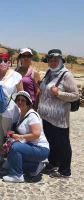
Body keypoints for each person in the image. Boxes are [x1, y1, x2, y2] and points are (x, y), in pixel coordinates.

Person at [37, 49, 79, 178]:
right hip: (46, 116)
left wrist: (59, 93)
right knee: (51, 141)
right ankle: (53, 163)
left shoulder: (66, 75)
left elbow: (75, 95)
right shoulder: (50, 72)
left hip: (59, 118)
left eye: (56, 60)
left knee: (63, 144)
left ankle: (65, 170)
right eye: (50, 60)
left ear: (61, 61)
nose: (53, 62)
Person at [2, 91, 50, 183]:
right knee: (9, 162)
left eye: (23, 100)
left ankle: (17, 175)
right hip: (30, 146)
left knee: (15, 148)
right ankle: (35, 167)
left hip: (40, 148)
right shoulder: (21, 114)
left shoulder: (32, 115)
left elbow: (36, 135)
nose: (20, 102)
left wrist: (20, 137)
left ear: (28, 102)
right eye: (18, 100)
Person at [0, 52, 23, 166]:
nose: (3, 63)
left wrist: (23, 110)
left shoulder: (16, 76)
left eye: (5, 60)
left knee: (7, 133)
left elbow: (21, 93)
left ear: (9, 62)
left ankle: (8, 158)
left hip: (9, 109)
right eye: (0, 60)